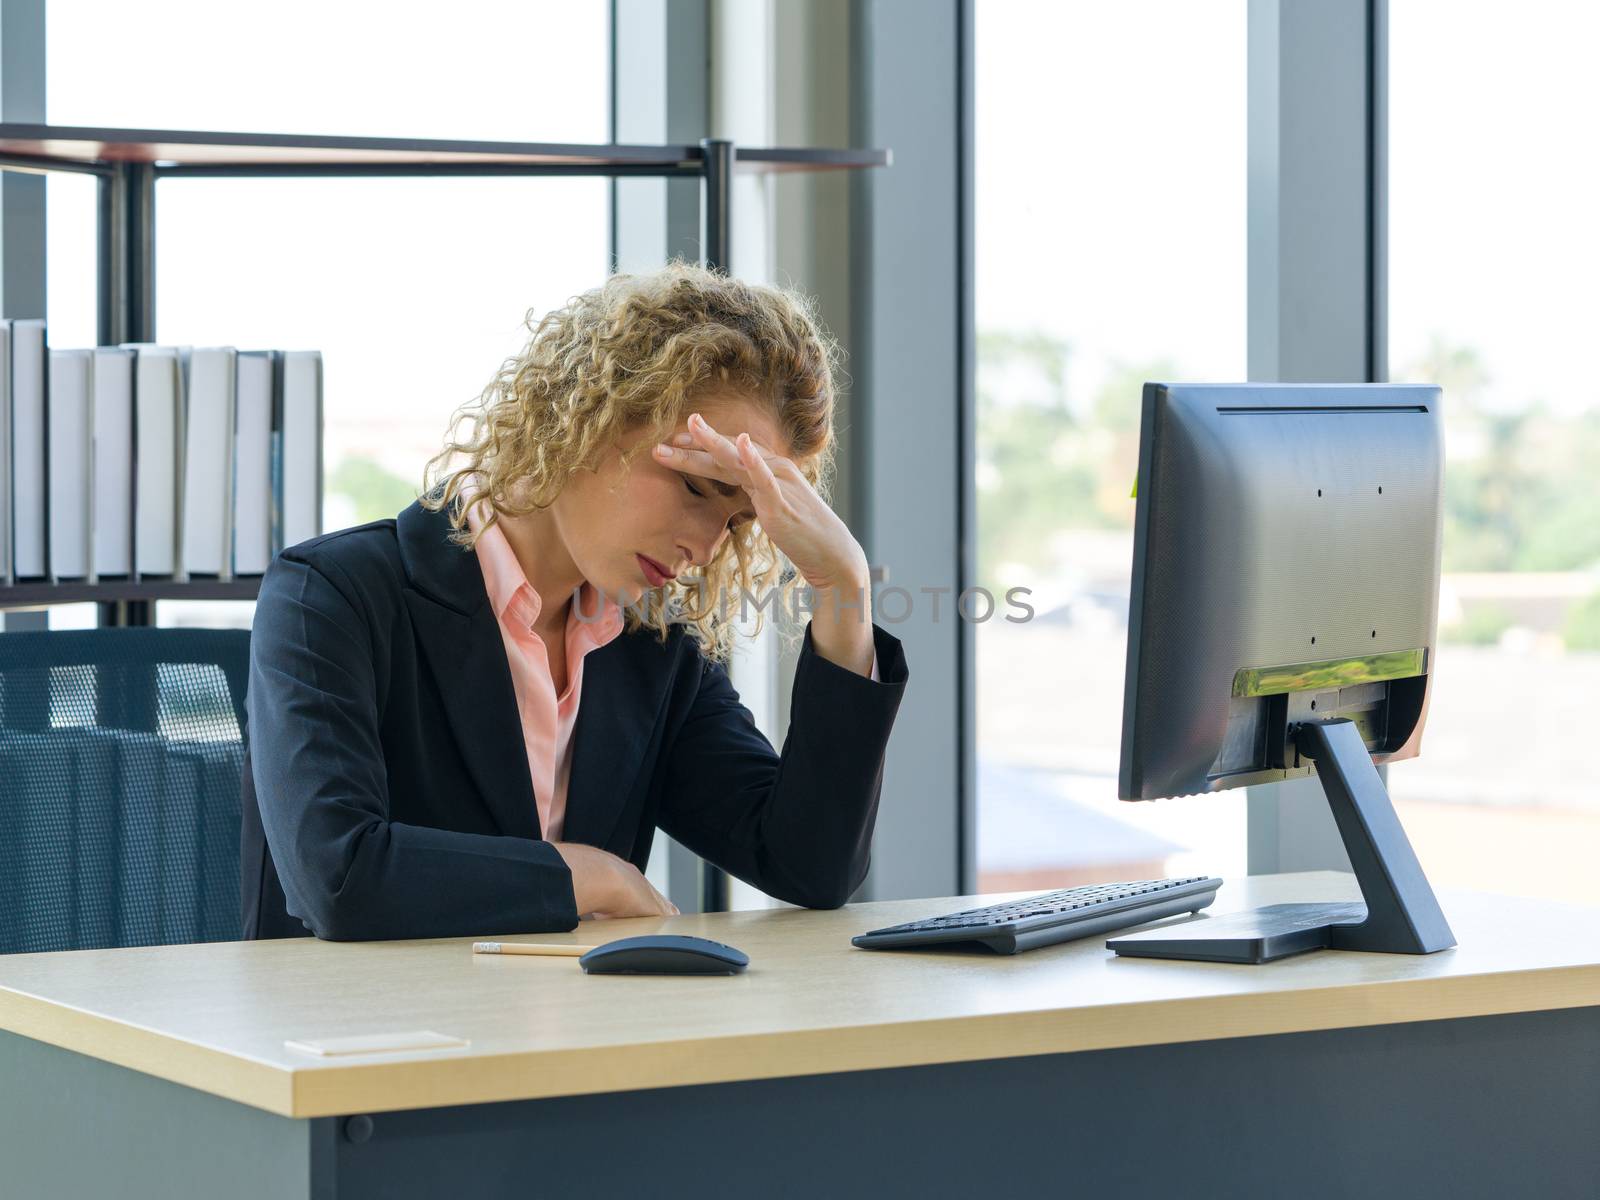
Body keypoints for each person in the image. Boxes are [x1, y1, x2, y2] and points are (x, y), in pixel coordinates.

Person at [241, 262, 910, 940]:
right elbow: (340, 877)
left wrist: (843, 588)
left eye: (738, 523)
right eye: (699, 490)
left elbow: (807, 865)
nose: (705, 547)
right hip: (364, 1036)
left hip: (569, 1036)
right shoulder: (330, 597)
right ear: (592, 415)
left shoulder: (652, 647)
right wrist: (586, 874)